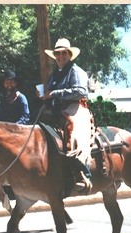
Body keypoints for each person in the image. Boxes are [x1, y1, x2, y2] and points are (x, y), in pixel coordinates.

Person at [38, 38, 94, 193]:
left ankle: (83, 174)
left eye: (64, 53)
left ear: (69, 55)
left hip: (75, 108)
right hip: (56, 111)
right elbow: (50, 95)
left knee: (72, 132)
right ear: (55, 56)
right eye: (58, 53)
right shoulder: (53, 75)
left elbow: (81, 91)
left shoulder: (76, 71)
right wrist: (44, 96)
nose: (60, 56)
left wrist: (54, 93)